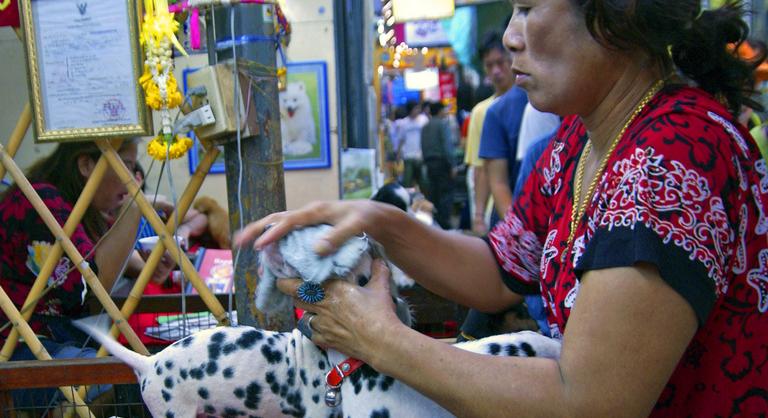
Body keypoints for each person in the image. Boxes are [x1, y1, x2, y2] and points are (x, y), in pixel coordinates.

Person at [237, 1, 768, 416]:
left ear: (615, 15)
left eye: (528, 8)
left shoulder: (670, 158)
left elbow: (588, 402)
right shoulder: (579, 143)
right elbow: (501, 270)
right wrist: (380, 221)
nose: (512, 36)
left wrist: (379, 339)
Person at [0, 140, 171, 407]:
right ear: (86, 165)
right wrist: (136, 207)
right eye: (125, 165)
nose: (132, 178)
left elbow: (94, 259)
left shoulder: (73, 205)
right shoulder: (41, 201)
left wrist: (143, 265)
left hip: (58, 340)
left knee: (154, 368)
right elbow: (87, 285)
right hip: (21, 349)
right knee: (135, 382)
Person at [464, 31, 518, 235]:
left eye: (500, 62)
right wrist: (478, 218)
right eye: (489, 65)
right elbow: (480, 169)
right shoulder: (481, 112)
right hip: (497, 215)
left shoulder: (535, 104)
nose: (496, 71)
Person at [421, 101, 456, 229]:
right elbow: (447, 146)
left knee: (433, 194)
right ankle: (445, 223)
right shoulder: (442, 125)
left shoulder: (425, 126)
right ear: (440, 111)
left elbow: (423, 146)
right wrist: (452, 165)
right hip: (442, 163)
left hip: (429, 163)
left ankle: (435, 222)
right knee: (445, 193)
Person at [395, 101, 429, 191]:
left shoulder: (423, 120)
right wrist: (398, 154)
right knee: (407, 182)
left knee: (424, 182)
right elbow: (401, 140)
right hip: (408, 156)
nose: (418, 110)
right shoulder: (404, 123)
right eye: (416, 108)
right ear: (410, 110)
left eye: (418, 108)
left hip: (421, 156)